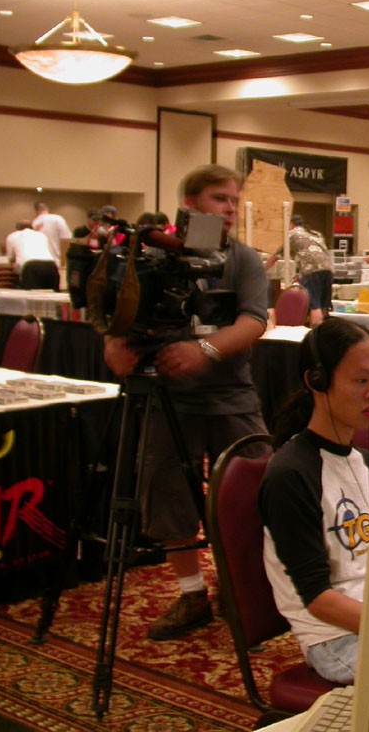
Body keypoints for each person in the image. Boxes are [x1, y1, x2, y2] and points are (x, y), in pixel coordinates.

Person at [102, 164, 269, 641]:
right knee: (169, 498)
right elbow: (121, 315)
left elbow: (254, 321)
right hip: (168, 396)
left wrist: (205, 349)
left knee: (251, 496)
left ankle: (243, 589)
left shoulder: (244, 259)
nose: (230, 208)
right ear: (190, 204)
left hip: (231, 395)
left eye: (234, 200)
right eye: (220, 199)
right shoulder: (155, 255)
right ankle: (192, 595)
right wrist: (112, 346)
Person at [261, 318, 369, 684]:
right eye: (361, 381)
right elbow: (317, 598)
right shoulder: (291, 475)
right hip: (334, 638)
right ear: (316, 381)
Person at [288, 214, 334, 326]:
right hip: (328, 269)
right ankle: (325, 331)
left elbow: (276, 256)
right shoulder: (316, 234)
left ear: (291, 224)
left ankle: (315, 332)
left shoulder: (292, 234)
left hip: (311, 270)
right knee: (324, 306)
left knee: (315, 305)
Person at [5, 222, 59, 290]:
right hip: (50, 265)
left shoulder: (13, 236)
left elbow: (10, 259)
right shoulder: (42, 235)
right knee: (52, 293)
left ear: (17, 229)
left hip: (30, 266)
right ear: (32, 228)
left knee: (32, 294)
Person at [31, 201, 72, 269]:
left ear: (36, 211)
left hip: (40, 262)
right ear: (47, 209)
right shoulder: (57, 218)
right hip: (57, 262)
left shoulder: (34, 223)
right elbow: (66, 239)